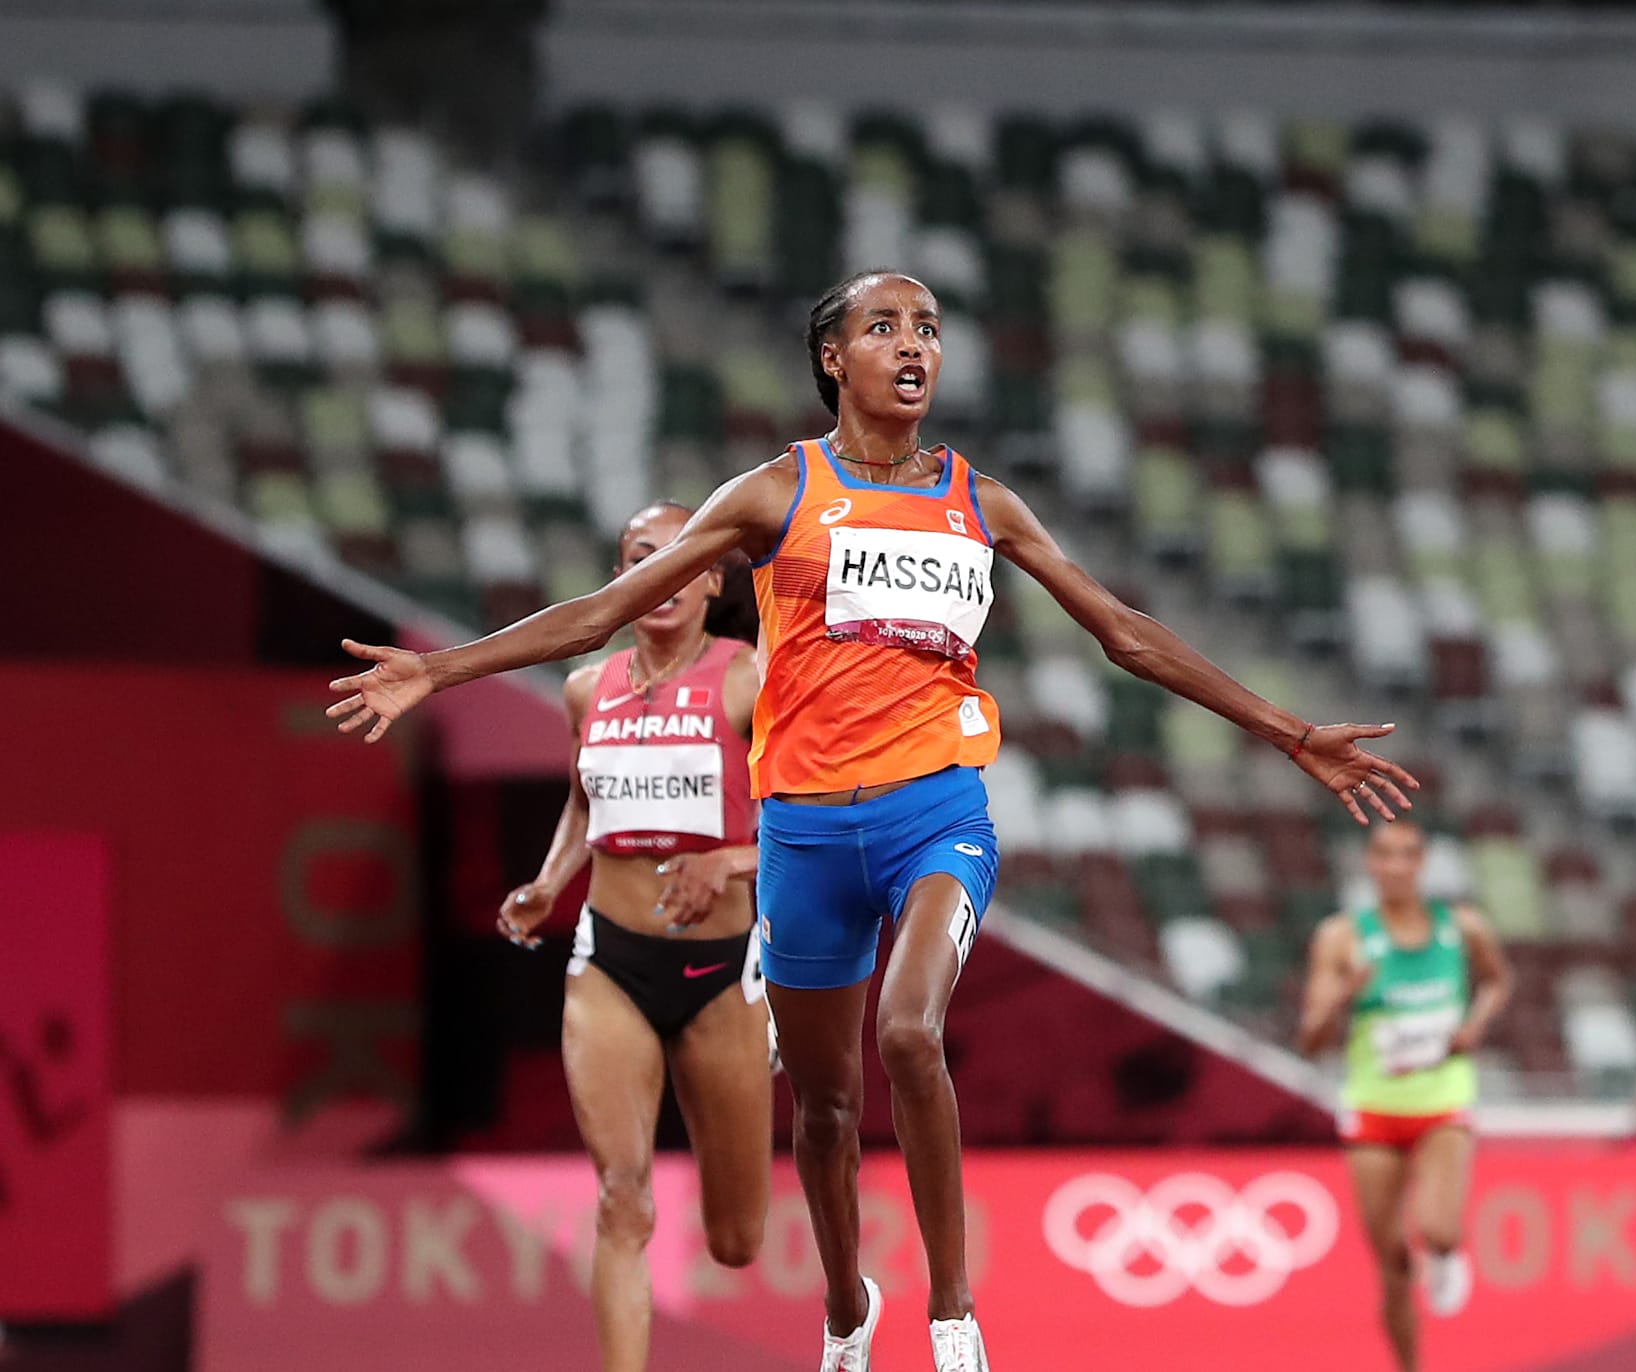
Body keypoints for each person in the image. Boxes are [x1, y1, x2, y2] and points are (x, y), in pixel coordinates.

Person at [328, 269, 1419, 1372]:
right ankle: (849, 1306)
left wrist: (1288, 731)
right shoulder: (772, 494)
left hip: (934, 813)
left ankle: (954, 1315)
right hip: (803, 834)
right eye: (885, 327)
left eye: (930, 330)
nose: (914, 346)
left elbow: (1125, 634)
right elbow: (605, 612)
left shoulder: (980, 503)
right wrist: (440, 669)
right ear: (831, 360)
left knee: (907, 1030)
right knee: (827, 1107)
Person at [493, 501, 771, 1372]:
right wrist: (549, 881)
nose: (662, 575)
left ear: (712, 580)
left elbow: (821, 819)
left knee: (736, 1239)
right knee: (623, 1197)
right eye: (641, 557)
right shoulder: (588, 687)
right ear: (622, 575)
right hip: (609, 960)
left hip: (724, 973)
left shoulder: (749, 679)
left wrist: (730, 861)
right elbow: (586, 800)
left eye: (683, 559)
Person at [1296, 822, 1512, 1372]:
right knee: (1391, 1264)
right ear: (1370, 864)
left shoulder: (1460, 928)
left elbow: (1496, 981)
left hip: (1442, 1101)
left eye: (1406, 856)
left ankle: (1445, 1254)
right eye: (1384, 856)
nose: (1394, 867)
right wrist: (1346, 993)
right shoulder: (1342, 938)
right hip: (1373, 1107)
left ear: (1422, 864)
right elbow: (1311, 1038)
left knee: (1437, 1228)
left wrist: (1474, 1026)